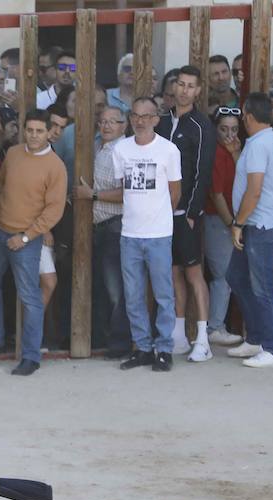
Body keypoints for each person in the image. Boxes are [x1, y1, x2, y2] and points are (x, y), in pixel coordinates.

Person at [0, 109, 67, 376]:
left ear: (48, 132)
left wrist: (27, 236)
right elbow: (1, 189)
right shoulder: (14, 154)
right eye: (29, 130)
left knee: (29, 297)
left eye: (39, 131)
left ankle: (30, 356)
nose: (34, 135)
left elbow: (54, 211)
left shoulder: (55, 166)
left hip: (27, 239)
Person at [106, 97, 182, 372]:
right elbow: (125, 188)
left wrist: (160, 217)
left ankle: (164, 349)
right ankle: (143, 348)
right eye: (135, 116)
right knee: (134, 294)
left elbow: (175, 192)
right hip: (130, 233)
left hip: (159, 234)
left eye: (145, 116)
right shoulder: (121, 149)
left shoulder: (168, 150)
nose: (140, 121)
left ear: (155, 119)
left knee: (163, 295)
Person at [157, 65, 217, 361]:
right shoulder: (162, 122)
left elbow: (203, 171)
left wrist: (192, 211)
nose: (184, 90)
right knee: (173, 272)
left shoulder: (202, 125)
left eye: (191, 85)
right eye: (181, 84)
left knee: (194, 273)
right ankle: (178, 334)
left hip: (187, 213)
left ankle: (203, 339)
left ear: (198, 91)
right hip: (161, 214)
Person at [226, 93, 273, 368]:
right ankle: (255, 338)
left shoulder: (262, 144)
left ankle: (272, 349)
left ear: (247, 116)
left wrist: (238, 223)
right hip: (256, 223)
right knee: (236, 276)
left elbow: (254, 190)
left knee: (262, 287)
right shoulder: (263, 141)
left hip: (259, 224)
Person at [75, 106, 130, 356]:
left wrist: (93, 195)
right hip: (96, 227)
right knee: (98, 287)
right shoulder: (97, 148)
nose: (106, 126)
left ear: (123, 125)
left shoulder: (124, 152)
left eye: (113, 122)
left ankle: (119, 344)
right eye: (102, 121)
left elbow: (127, 194)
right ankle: (101, 339)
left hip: (115, 226)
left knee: (115, 289)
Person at [205, 107, 244, 347]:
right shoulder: (216, 154)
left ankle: (216, 325)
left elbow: (242, 178)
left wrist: (236, 152)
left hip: (230, 220)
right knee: (222, 276)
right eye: (223, 129)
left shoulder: (230, 150)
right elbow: (216, 194)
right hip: (218, 220)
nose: (229, 134)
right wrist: (232, 224)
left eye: (234, 129)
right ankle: (215, 327)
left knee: (226, 276)